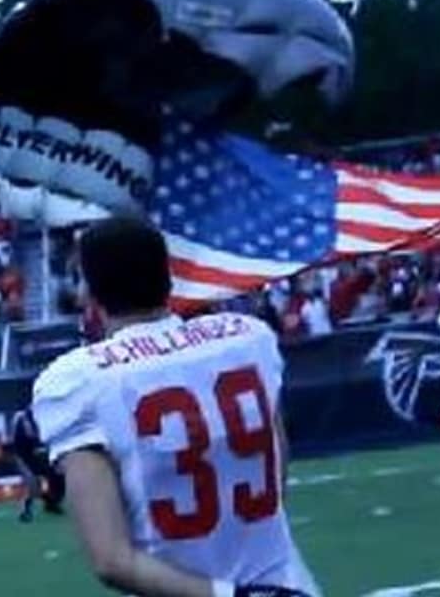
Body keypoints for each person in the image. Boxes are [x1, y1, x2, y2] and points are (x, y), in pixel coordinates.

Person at [31, 218, 319, 597]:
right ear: (168, 277)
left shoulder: (76, 380)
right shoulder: (248, 337)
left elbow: (111, 560)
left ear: (90, 293)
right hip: (286, 585)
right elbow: (275, 475)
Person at [11, 407, 64, 523]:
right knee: (33, 483)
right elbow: (30, 435)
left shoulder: (47, 416)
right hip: (24, 455)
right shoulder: (24, 418)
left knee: (57, 476)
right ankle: (25, 508)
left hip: (40, 453)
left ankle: (51, 503)